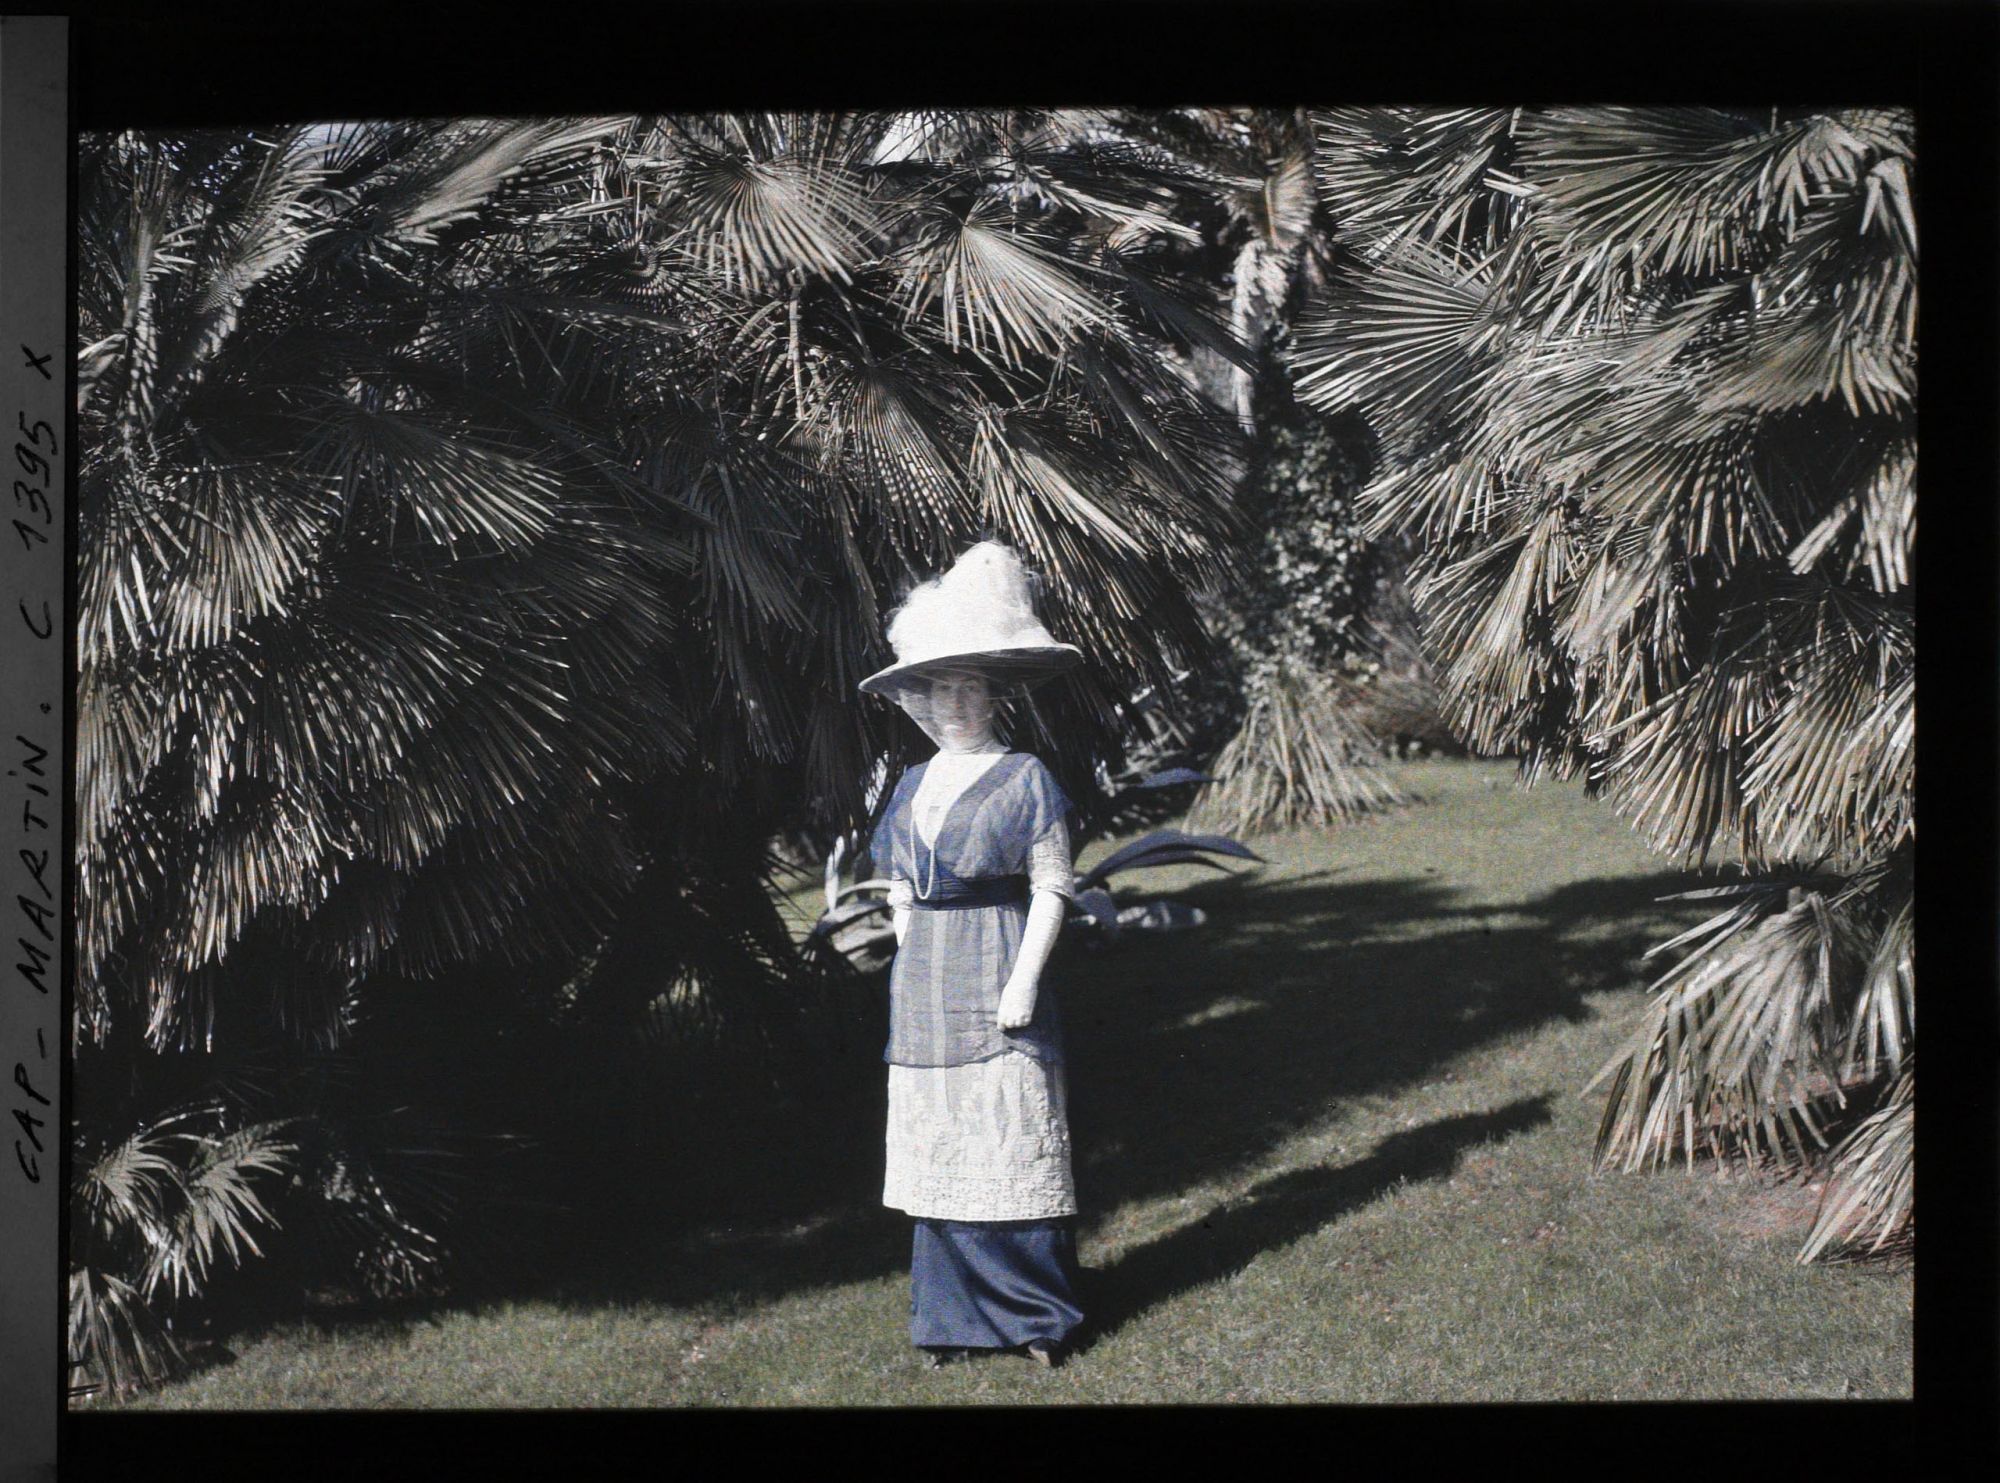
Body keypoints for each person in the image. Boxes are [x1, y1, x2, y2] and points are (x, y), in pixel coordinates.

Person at [859, 542, 1085, 1369]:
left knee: (1008, 1135)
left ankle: (1035, 1316)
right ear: (922, 696)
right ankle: (950, 1318)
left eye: (970, 686)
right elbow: (899, 888)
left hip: (997, 967)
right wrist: (911, 950)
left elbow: (1053, 885)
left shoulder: (1024, 777)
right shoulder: (911, 783)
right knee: (943, 1145)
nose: (955, 703)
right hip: (923, 989)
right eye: (941, 687)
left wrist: (1023, 981)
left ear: (995, 693)